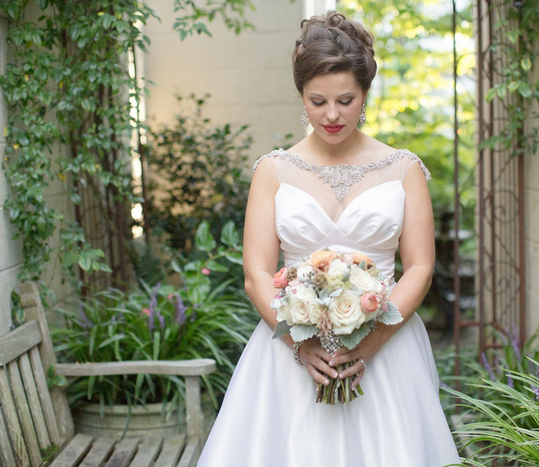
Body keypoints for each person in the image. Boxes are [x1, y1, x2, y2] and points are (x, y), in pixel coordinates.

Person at [197, 10, 461, 466]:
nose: (332, 115)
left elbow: (419, 266)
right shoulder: (273, 171)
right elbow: (256, 273)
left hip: (386, 349)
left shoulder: (404, 169)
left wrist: (372, 342)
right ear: (302, 96)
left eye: (346, 99)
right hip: (289, 356)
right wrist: (302, 346)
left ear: (365, 95)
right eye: (317, 101)